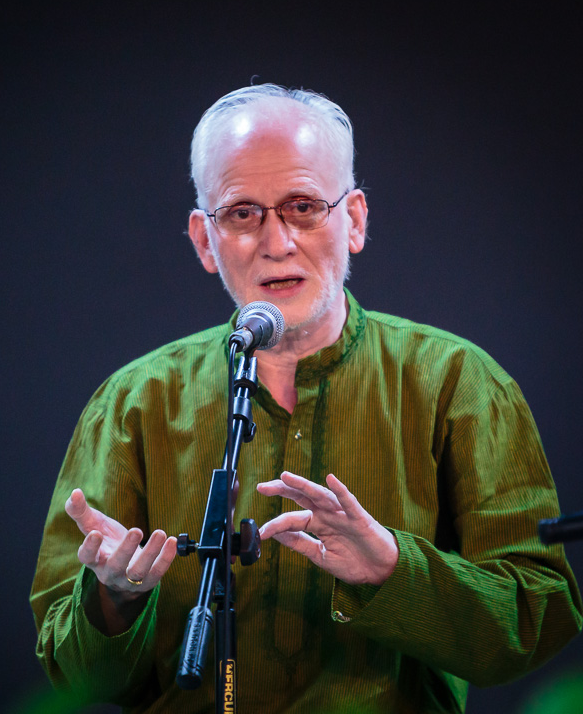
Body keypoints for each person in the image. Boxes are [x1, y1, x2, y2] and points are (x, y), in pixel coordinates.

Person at [30, 84, 582, 713]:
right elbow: (70, 675)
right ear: (204, 241)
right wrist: (113, 599)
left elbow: (538, 618)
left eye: (302, 207)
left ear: (354, 221)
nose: (276, 241)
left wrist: (394, 570)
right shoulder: (132, 404)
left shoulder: (459, 384)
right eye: (241, 213)